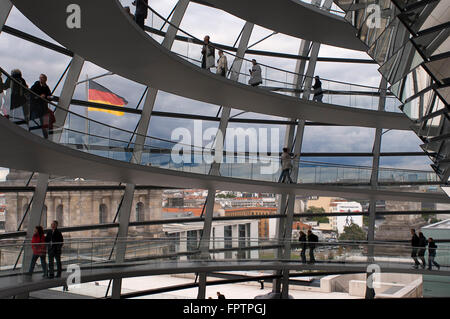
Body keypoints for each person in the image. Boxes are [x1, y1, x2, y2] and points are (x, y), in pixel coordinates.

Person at [30, 74, 52, 139]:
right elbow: (31, 94)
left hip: (42, 108)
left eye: (42, 78)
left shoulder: (46, 87)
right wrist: (39, 97)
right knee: (36, 121)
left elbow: (49, 97)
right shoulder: (36, 85)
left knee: (41, 122)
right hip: (37, 107)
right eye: (40, 78)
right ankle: (36, 135)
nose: (41, 79)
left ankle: (43, 136)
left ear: (45, 79)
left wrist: (46, 97)